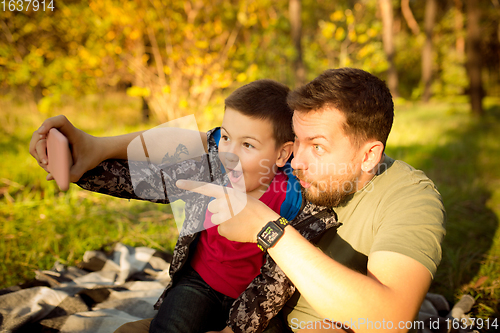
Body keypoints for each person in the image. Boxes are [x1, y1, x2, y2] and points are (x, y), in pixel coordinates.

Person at [31, 67, 446, 333]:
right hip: (213, 294)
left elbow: (388, 318)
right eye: (295, 143)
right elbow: (195, 145)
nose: (296, 161)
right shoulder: (282, 165)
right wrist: (94, 148)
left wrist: (267, 229)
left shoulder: (407, 198)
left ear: (369, 155)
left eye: (316, 147)